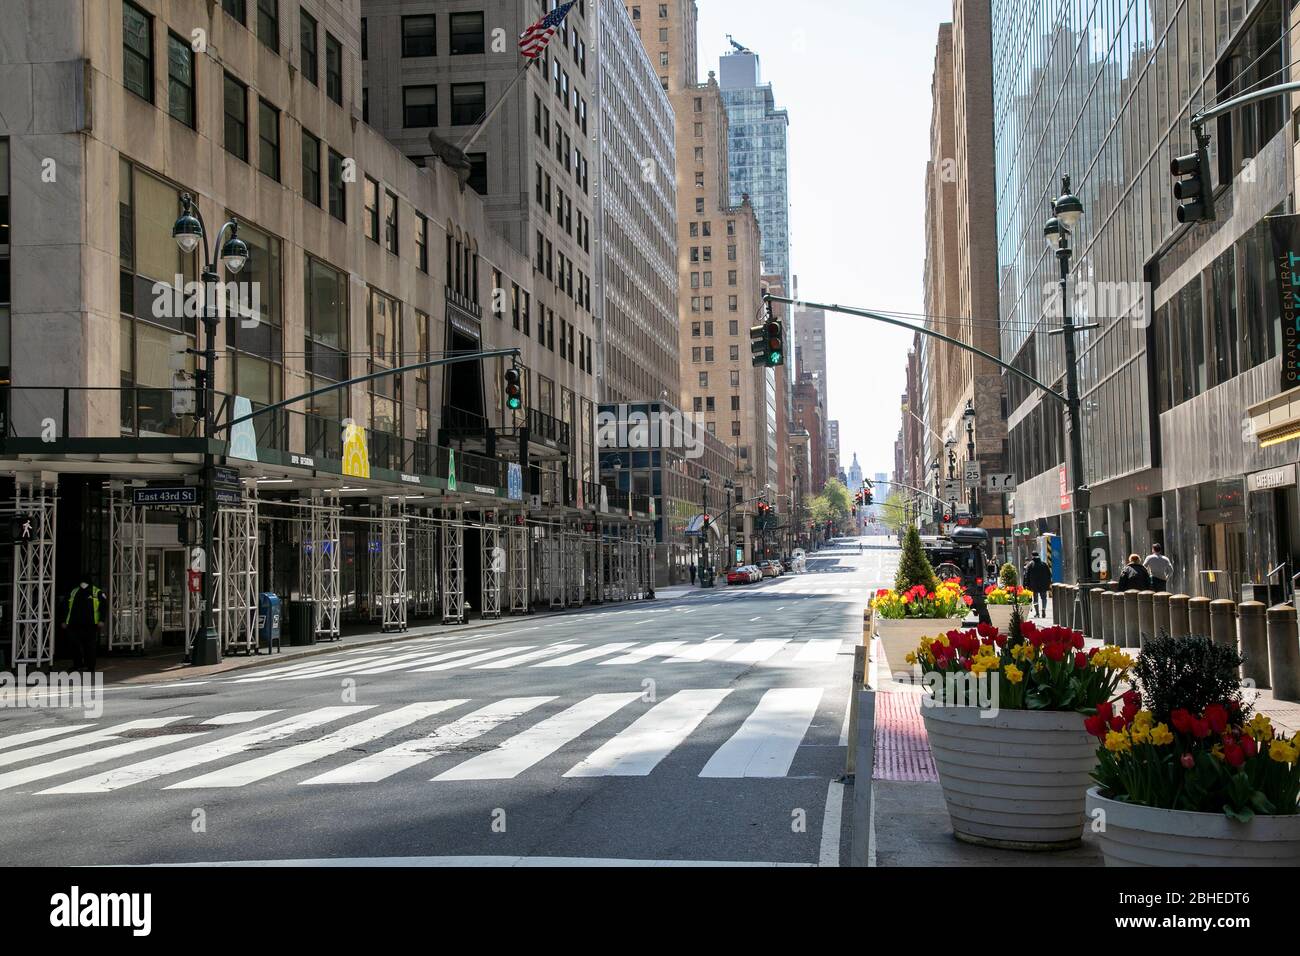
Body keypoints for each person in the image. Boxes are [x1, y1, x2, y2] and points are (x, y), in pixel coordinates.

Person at [63, 576, 107, 674]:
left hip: (90, 624)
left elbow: (103, 607)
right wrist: (64, 621)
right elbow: (66, 606)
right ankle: (78, 664)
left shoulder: (97, 592)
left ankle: (90, 666)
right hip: (75, 623)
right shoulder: (74, 592)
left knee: (89, 646)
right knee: (75, 645)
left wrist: (101, 620)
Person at [1022, 551, 1052, 619]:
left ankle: (1037, 613)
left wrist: (1026, 585)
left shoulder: (1030, 565)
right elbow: (1049, 575)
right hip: (1043, 585)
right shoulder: (1044, 564)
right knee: (1044, 598)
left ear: (1032, 556)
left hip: (1034, 585)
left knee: (1035, 599)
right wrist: (1048, 584)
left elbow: (1026, 576)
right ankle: (1043, 609)